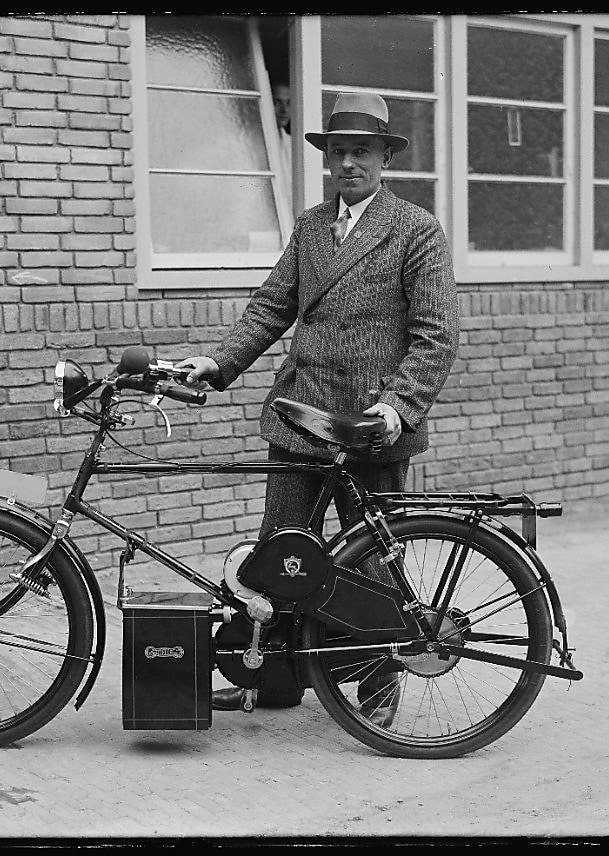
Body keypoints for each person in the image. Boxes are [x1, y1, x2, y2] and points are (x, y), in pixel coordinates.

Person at [179, 92, 459, 726]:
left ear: (384, 158)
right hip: (299, 419)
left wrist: (398, 407)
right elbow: (271, 306)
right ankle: (274, 680)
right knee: (277, 556)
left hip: (369, 427)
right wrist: (220, 364)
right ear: (327, 158)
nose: (349, 163)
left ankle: (379, 687)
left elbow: (436, 333)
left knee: (374, 565)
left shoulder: (416, 229)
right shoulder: (310, 225)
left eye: (362, 151)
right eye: (339, 152)